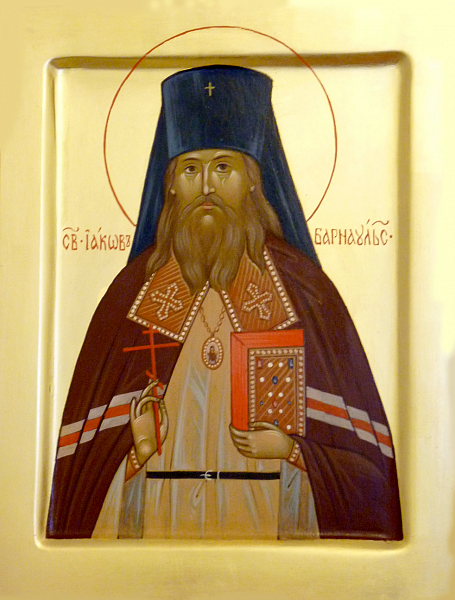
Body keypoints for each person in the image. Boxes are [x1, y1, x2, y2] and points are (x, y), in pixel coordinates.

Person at [46, 65, 402, 540]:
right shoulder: (131, 296)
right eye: (191, 169)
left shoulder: (304, 293)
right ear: (171, 184)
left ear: (252, 180)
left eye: (223, 167)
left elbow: (369, 479)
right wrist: (135, 454)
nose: (207, 188)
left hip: (270, 532)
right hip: (159, 532)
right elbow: (79, 488)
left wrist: (292, 451)